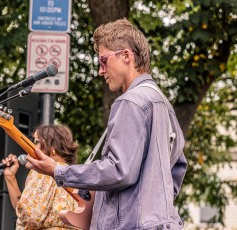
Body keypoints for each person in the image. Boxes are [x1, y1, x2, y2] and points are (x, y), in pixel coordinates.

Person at [26, 18, 188, 230]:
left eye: (104, 60)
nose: (100, 71)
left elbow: (119, 171)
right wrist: (153, 205)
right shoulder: (163, 103)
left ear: (127, 55)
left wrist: (59, 171)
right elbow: (178, 167)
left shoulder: (130, 102)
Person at [3, 124, 79, 229]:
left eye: (37, 141)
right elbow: (23, 210)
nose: (33, 146)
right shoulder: (76, 174)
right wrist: (10, 177)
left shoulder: (45, 172)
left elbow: (30, 217)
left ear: (53, 147)